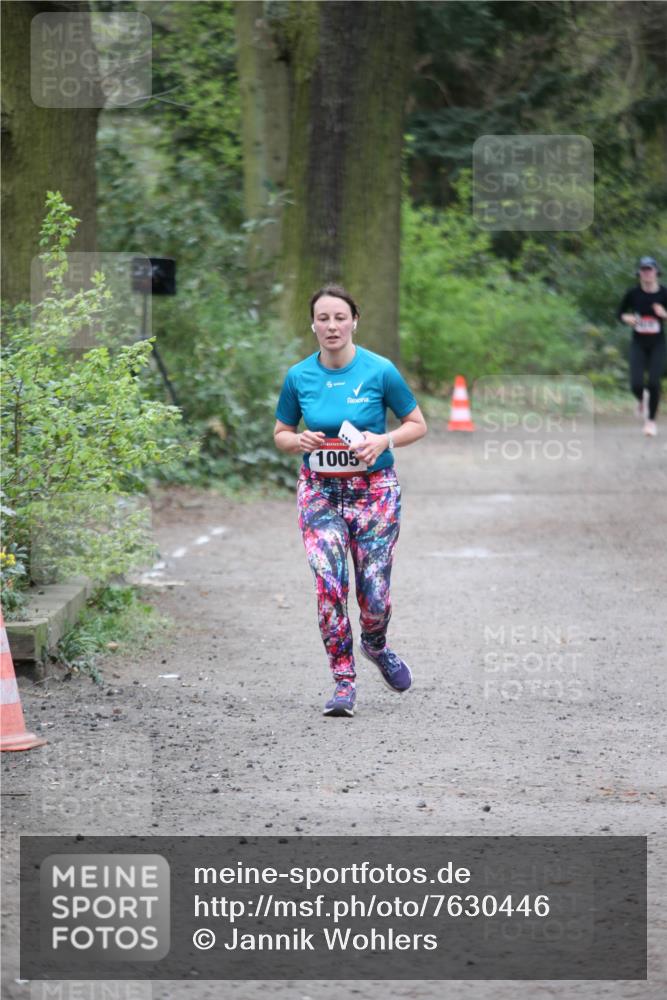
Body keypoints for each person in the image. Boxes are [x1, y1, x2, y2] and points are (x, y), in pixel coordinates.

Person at [273, 285, 427, 717]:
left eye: (340, 317)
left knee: (374, 596)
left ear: (354, 320)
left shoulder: (380, 371)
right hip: (320, 493)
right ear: (313, 325)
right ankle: (343, 681)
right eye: (323, 318)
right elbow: (281, 434)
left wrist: (384, 440)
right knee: (329, 586)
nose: (332, 326)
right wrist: (295, 440)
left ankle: (375, 644)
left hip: (374, 492)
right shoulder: (298, 376)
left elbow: (417, 424)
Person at [618, 256, 667, 436]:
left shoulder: (664, 293)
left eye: (650, 269)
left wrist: (664, 314)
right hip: (638, 343)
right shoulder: (633, 293)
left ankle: (650, 422)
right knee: (636, 384)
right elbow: (620, 313)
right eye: (643, 270)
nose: (647, 273)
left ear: (656, 272)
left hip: (658, 344)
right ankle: (642, 399)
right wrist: (627, 318)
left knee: (654, 383)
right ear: (639, 273)